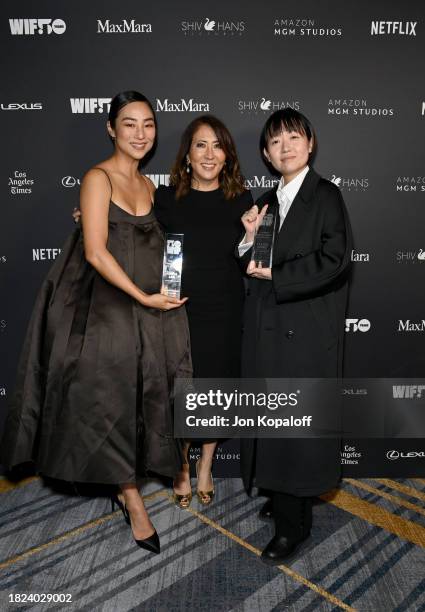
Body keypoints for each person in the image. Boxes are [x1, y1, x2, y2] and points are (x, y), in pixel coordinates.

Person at [0, 91, 192, 555]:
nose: (140, 133)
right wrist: (141, 296)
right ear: (111, 128)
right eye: (129, 124)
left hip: (150, 306)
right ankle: (130, 499)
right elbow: (95, 251)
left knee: (150, 391)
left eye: (148, 124)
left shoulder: (151, 187)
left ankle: (151, 476)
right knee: (108, 398)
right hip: (106, 304)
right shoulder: (97, 177)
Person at [238, 108, 353, 565]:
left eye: (293, 137)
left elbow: (335, 258)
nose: (285, 147)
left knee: (294, 428)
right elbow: (252, 263)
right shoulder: (267, 199)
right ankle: (283, 496)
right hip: (267, 329)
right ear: (266, 153)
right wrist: (248, 239)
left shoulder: (326, 195)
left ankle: (294, 525)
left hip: (303, 330)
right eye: (275, 141)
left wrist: (277, 273)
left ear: (310, 143)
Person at [154, 115, 253, 508]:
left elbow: (250, 258)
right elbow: (131, 227)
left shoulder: (243, 200)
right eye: (201, 145)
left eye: (217, 146)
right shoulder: (164, 197)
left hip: (225, 309)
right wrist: (90, 219)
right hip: (179, 310)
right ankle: (180, 466)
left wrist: (252, 237)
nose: (209, 154)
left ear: (227, 155)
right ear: (187, 155)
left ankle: (206, 467)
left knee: (214, 388)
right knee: (180, 391)